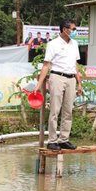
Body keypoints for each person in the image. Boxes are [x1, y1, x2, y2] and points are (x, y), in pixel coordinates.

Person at [35, 20, 82, 151]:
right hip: (57, 77)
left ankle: (64, 139)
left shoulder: (75, 44)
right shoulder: (53, 44)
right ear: (64, 29)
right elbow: (46, 65)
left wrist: (79, 84)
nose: (74, 31)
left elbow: (75, 65)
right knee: (55, 110)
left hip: (71, 78)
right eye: (73, 29)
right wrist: (39, 85)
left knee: (68, 111)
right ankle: (52, 140)